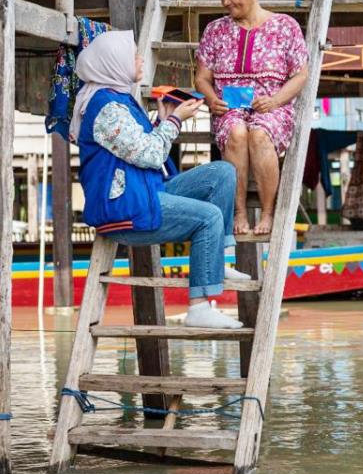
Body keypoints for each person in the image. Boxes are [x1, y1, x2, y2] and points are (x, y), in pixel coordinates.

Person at [72, 31, 244, 329]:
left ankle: (216, 259)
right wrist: (175, 121)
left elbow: (136, 146)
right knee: (209, 217)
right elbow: (150, 155)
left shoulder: (120, 98)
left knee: (222, 173)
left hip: (144, 191)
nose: (140, 59)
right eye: (132, 55)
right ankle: (199, 307)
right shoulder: (107, 108)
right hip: (125, 209)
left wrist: (163, 120)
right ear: (114, 63)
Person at [195, 0, 309, 236]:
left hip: (272, 107)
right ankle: (239, 211)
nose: (225, 2)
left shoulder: (285, 26)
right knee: (236, 133)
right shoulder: (215, 30)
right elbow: (202, 78)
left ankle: (268, 213)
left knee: (259, 134)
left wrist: (275, 101)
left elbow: (300, 75)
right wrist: (211, 98)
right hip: (229, 108)